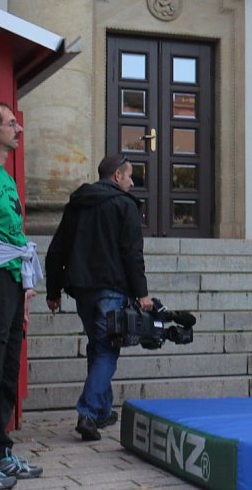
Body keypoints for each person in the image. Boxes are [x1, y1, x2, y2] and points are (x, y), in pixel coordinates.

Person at [45, 154, 154, 442]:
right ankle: (89, 413)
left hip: (82, 289)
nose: (132, 182)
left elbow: (57, 249)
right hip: (111, 289)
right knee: (107, 350)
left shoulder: (78, 203)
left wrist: (53, 291)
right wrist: (142, 293)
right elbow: (132, 254)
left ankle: (103, 411)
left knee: (98, 346)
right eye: (129, 175)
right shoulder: (124, 205)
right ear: (117, 176)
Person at [0, 102, 44, 489]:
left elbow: (13, 233)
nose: (18, 129)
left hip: (12, 280)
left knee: (6, 370)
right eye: (10, 123)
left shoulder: (4, 176)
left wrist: (26, 286)